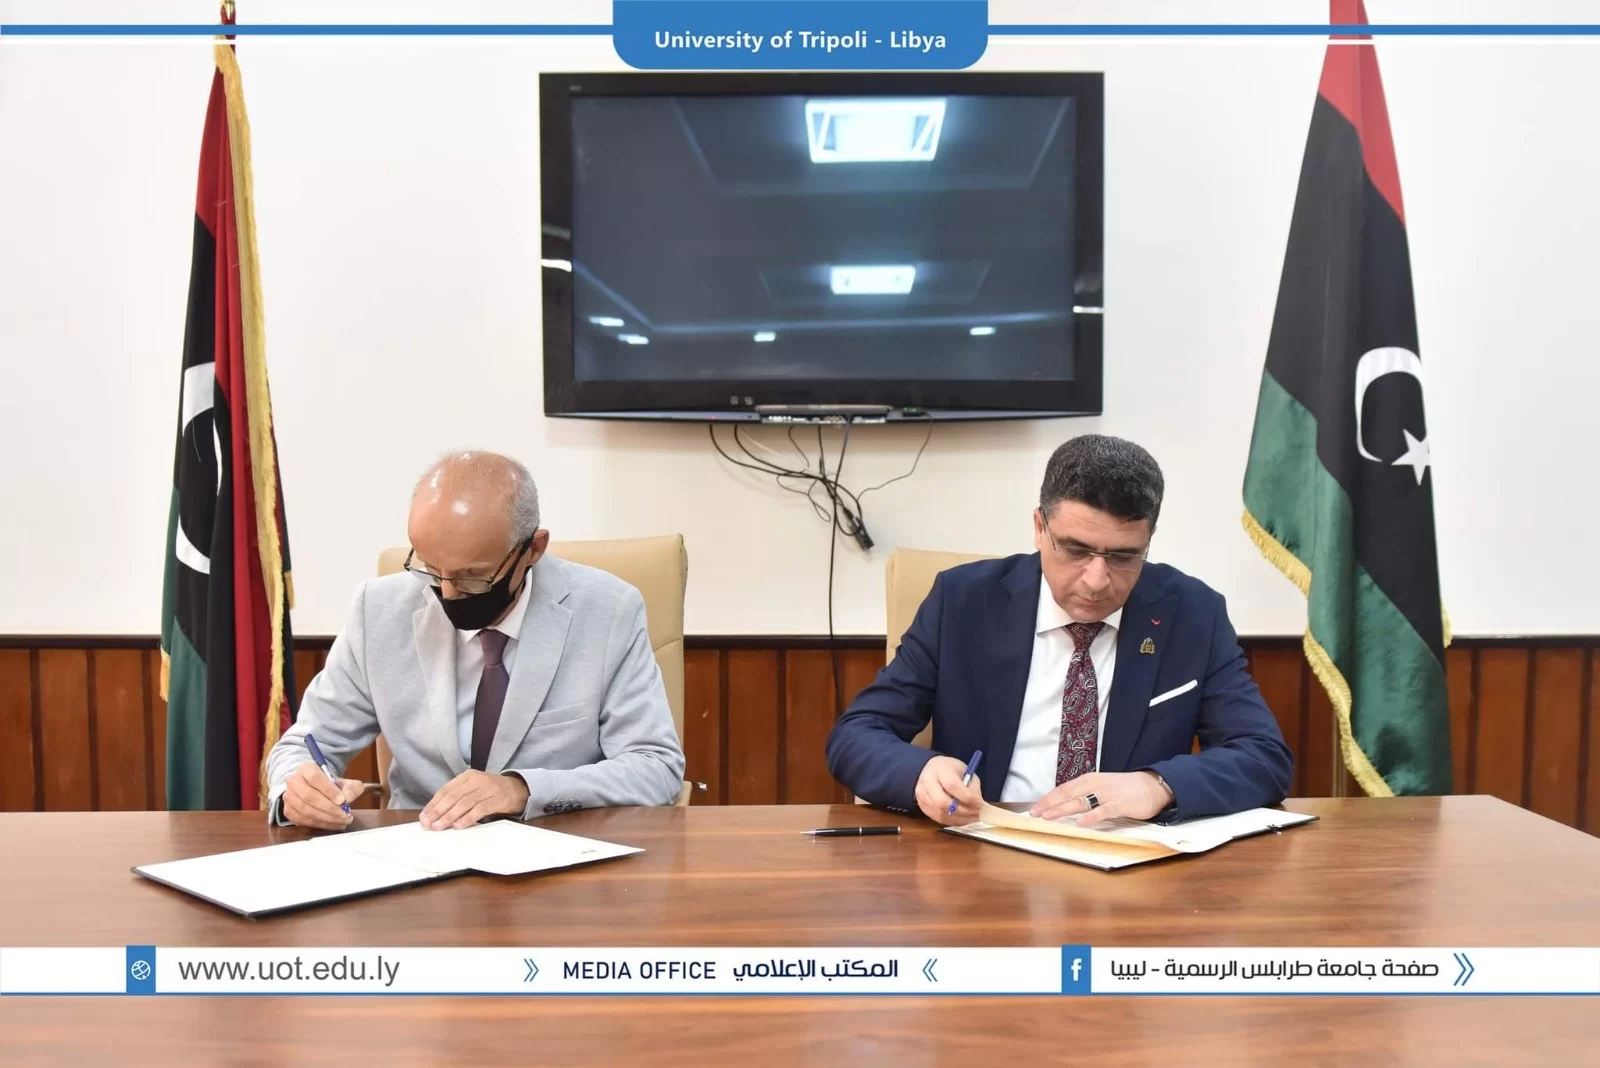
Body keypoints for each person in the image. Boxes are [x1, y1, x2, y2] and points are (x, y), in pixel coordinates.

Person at [826, 434, 1293, 827]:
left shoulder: (1192, 614)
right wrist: (922, 773)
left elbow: (1264, 756)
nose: (1096, 580)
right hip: (984, 847)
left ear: (1148, 542)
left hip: (1127, 863)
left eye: (1123, 556)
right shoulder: (963, 601)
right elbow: (856, 735)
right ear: (1039, 527)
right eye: (1075, 550)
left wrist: (1159, 785)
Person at [266, 451, 685, 830]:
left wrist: (523, 789)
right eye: (431, 569)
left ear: (533, 550)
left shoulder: (608, 611)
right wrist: (296, 789)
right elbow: (304, 744)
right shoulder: (378, 611)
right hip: (418, 851)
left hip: (556, 853)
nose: (448, 593)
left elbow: (655, 767)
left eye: (472, 576)